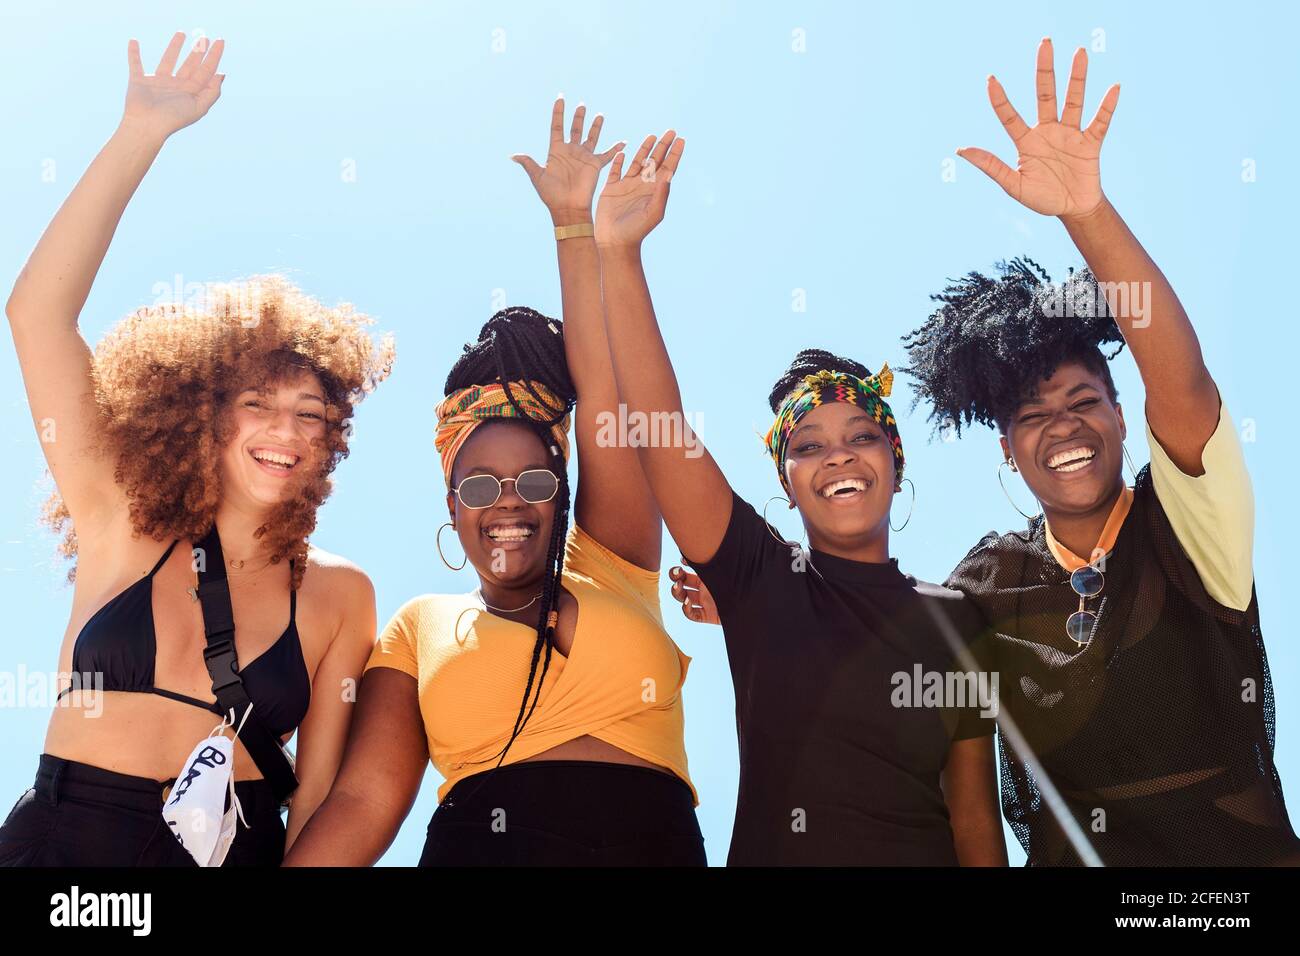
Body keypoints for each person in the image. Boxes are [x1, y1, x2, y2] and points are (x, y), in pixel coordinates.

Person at [0, 33, 390, 867]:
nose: (285, 432)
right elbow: (35, 315)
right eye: (258, 405)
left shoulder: (343, 596)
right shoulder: (117, 514)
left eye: (311, 415)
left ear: (334, 443)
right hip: (64, 842)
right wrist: (140, 131)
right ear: (204, 418)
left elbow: (316, 798)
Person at [908, 38, 1300, 865]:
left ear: (1126, 421)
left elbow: (1184, 384)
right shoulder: (984, 585)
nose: (1065, 425)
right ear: (1009, 452)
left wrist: (1084, 211)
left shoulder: (1188, 523)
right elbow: (880, 625)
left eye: (1086, 401)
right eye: (1035, 415)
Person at [283, 101, 704, 867]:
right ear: (453, 507)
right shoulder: (415, 628)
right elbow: (366, 799)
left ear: (562, 488)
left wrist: (575, 229)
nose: (507, 501)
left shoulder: (614, 562)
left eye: (532, 480)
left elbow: (604, 394)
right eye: (480, 488)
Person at [596, 130, 1004, 865]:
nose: (838, 455)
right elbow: (658, 425)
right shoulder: (757, 579)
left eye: (860, 435)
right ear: (786, 484)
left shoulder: (957, 621)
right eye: (808, 445)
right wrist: (621, 255)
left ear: (895, 460)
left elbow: (975, 822)